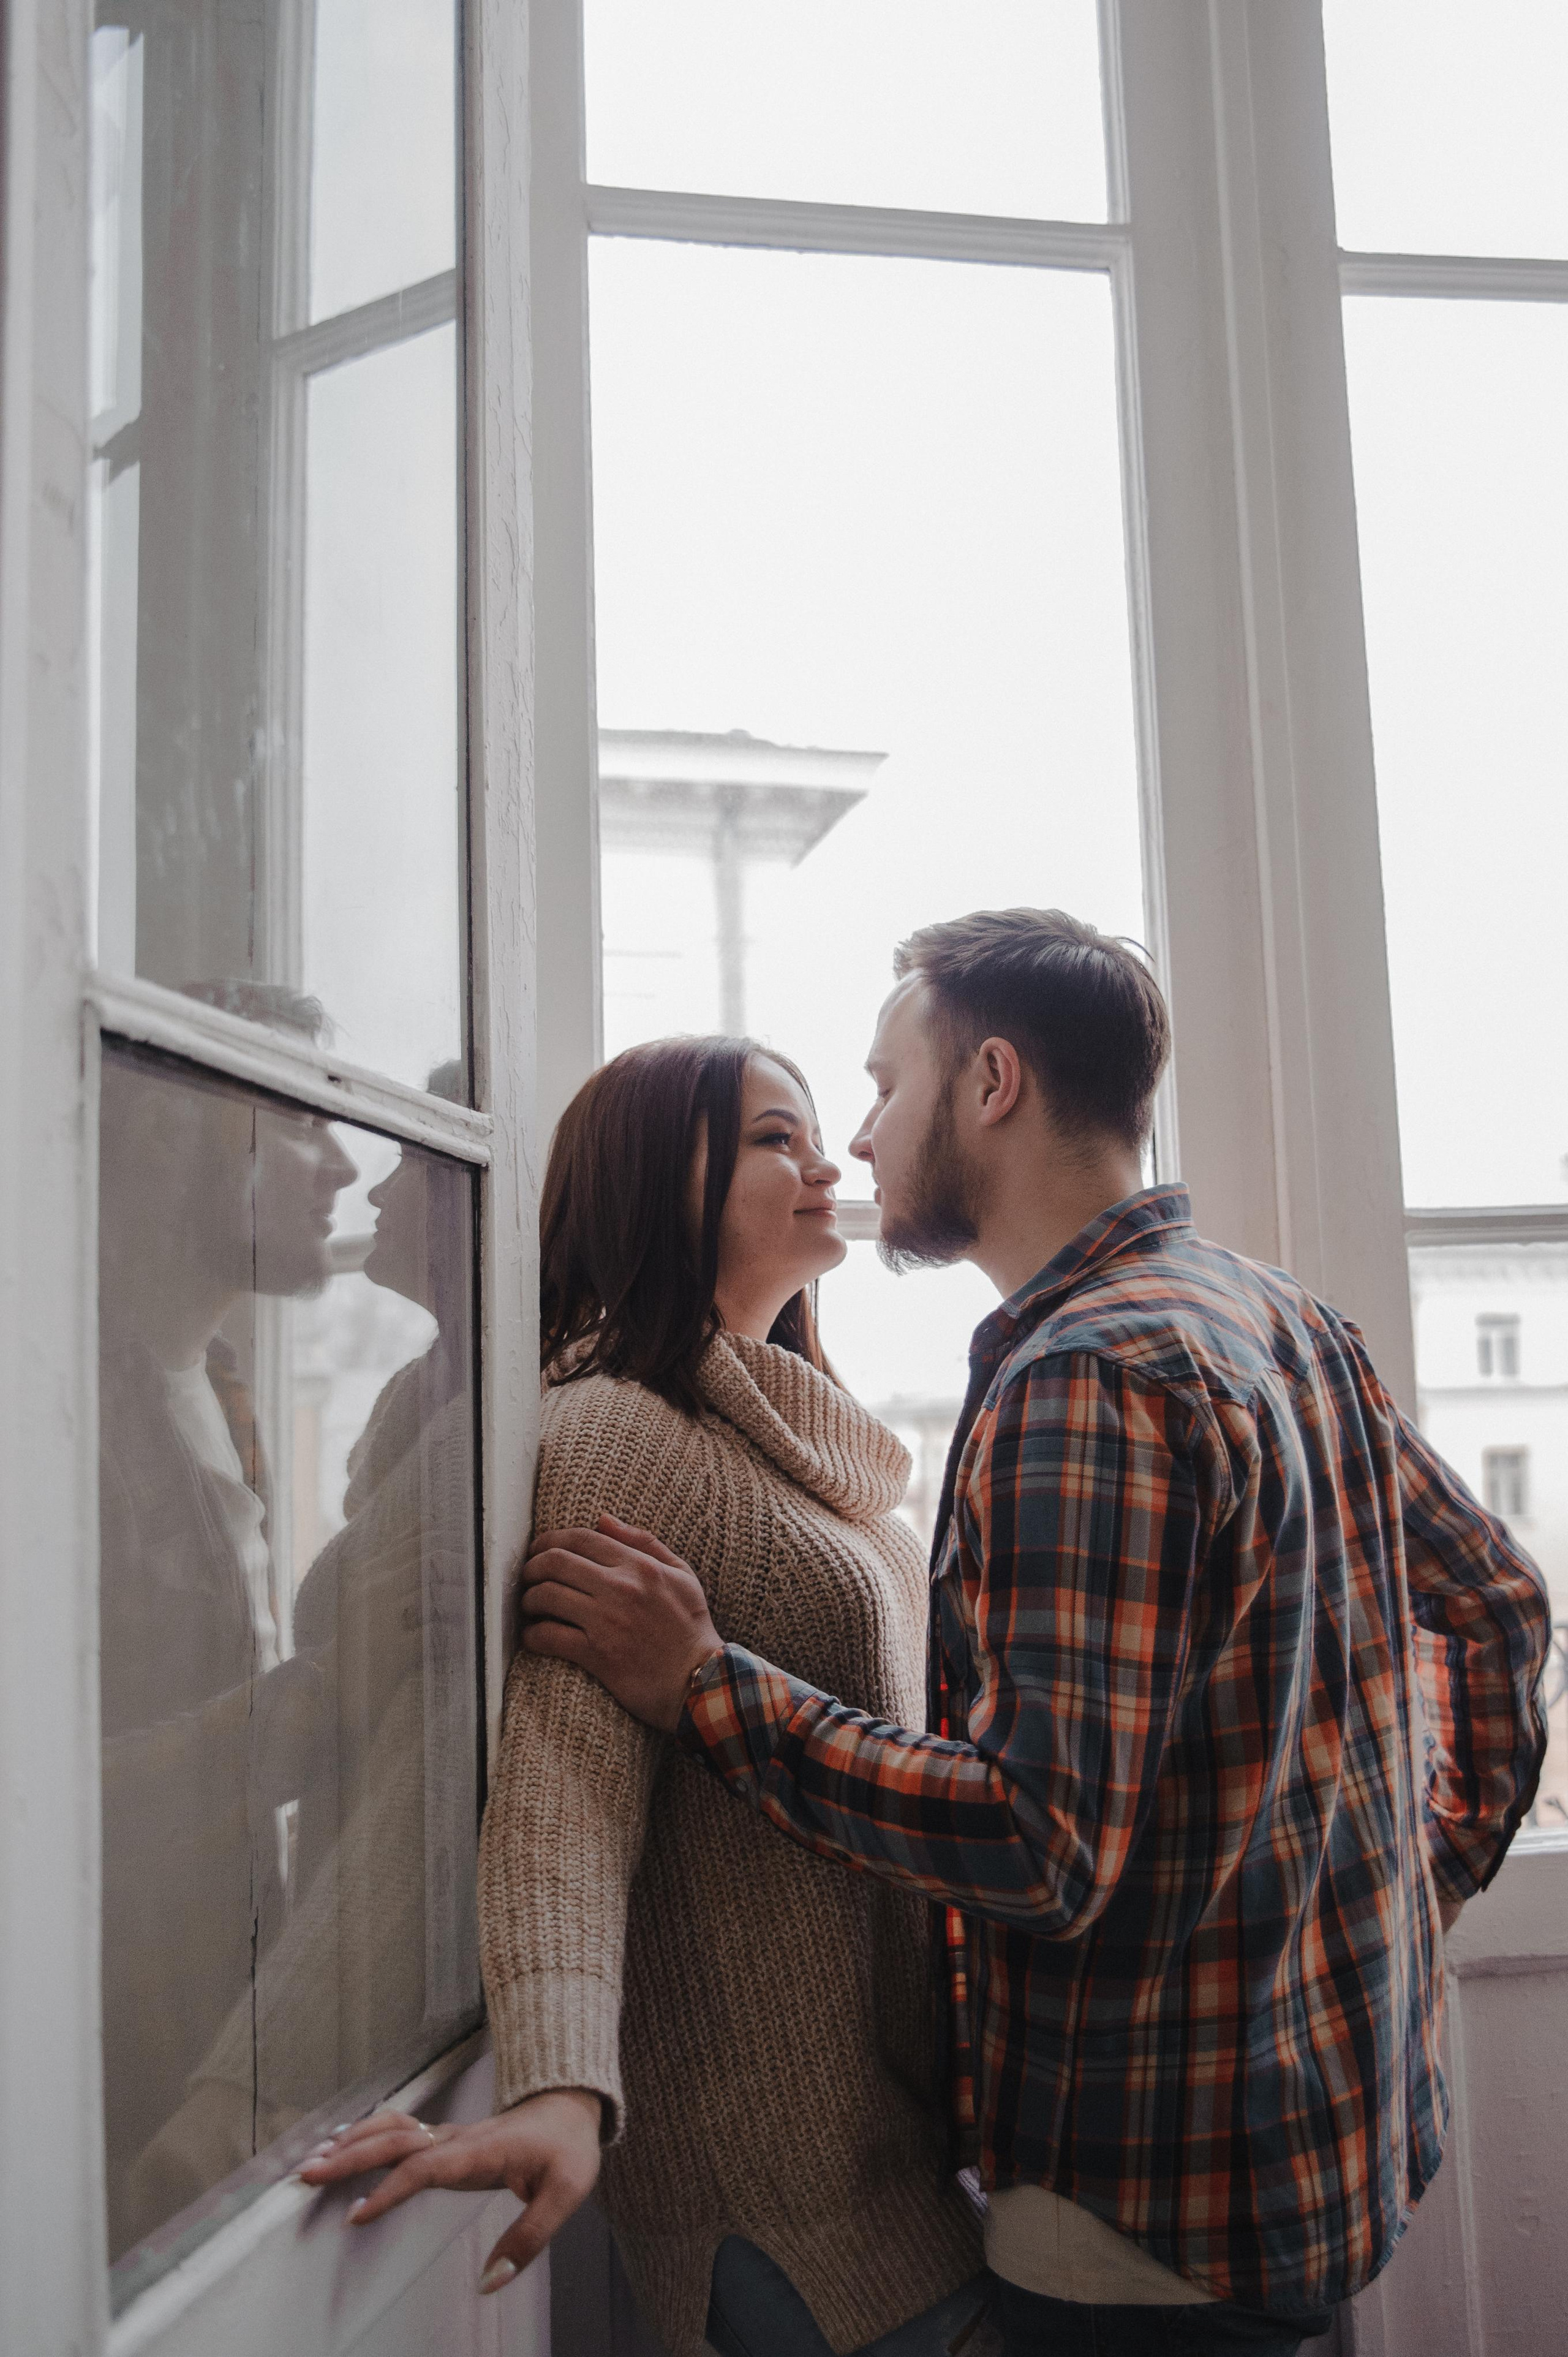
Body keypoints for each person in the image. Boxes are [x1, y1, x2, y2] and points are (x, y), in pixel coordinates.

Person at [511, 910, 1551, 2357]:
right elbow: (1500, 1604)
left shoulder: (1083, 1381)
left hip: (1143, 2213)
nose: (859, 1142)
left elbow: (1036, 1840)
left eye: (883, 1086)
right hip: (1331, 2149)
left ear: (991, 1082)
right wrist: (1410, 1894)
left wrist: (705, 1688)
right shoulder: (1278, 1316)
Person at [303, 1037, 987, 2357]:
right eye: (775, 1138)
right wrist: (560, 2085)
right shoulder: (621, 1430)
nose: (826, 1163)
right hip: (783, 2192)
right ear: (651, 1181)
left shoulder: (789, 1433)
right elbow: (560, 1781)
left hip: (904, 2142)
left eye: (814, 1136)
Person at [98, 984, 358, 2258]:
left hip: (212, 2063)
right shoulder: (49, 1414)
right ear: (165, 1131)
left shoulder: (221, 1385)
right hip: (97, 2102)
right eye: (300, 1119)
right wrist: (266, 1732)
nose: (345, 1165)